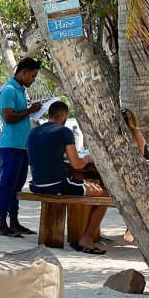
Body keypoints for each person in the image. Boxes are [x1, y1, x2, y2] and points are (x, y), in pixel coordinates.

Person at [28, 101, 110, 254]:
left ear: (49, 115)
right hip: (58, 184)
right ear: (64, 117)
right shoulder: (64, 131)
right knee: (104, 195)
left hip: (36, 185)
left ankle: (83, 236)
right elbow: (77, 165)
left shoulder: (33, 131)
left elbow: (45, 154)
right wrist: (88, 159)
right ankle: (86, 238)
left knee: (84, 188)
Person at [0, 58, 42, 237]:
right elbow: (8, 117)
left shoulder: (20, 90)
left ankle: (14, 221)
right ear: (23, 72)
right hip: (11, 144)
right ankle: (2, 223)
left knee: (18, 185)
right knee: (7, 184)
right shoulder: (8, 90)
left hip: (22, 145)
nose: (33, 80)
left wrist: (31, 109)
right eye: (32, 76)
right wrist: (30, 111)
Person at [121, 108, 149, 243]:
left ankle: (131, 228)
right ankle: (131, 229)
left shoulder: (136, 137)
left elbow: (140, 161)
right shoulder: (136, 136)